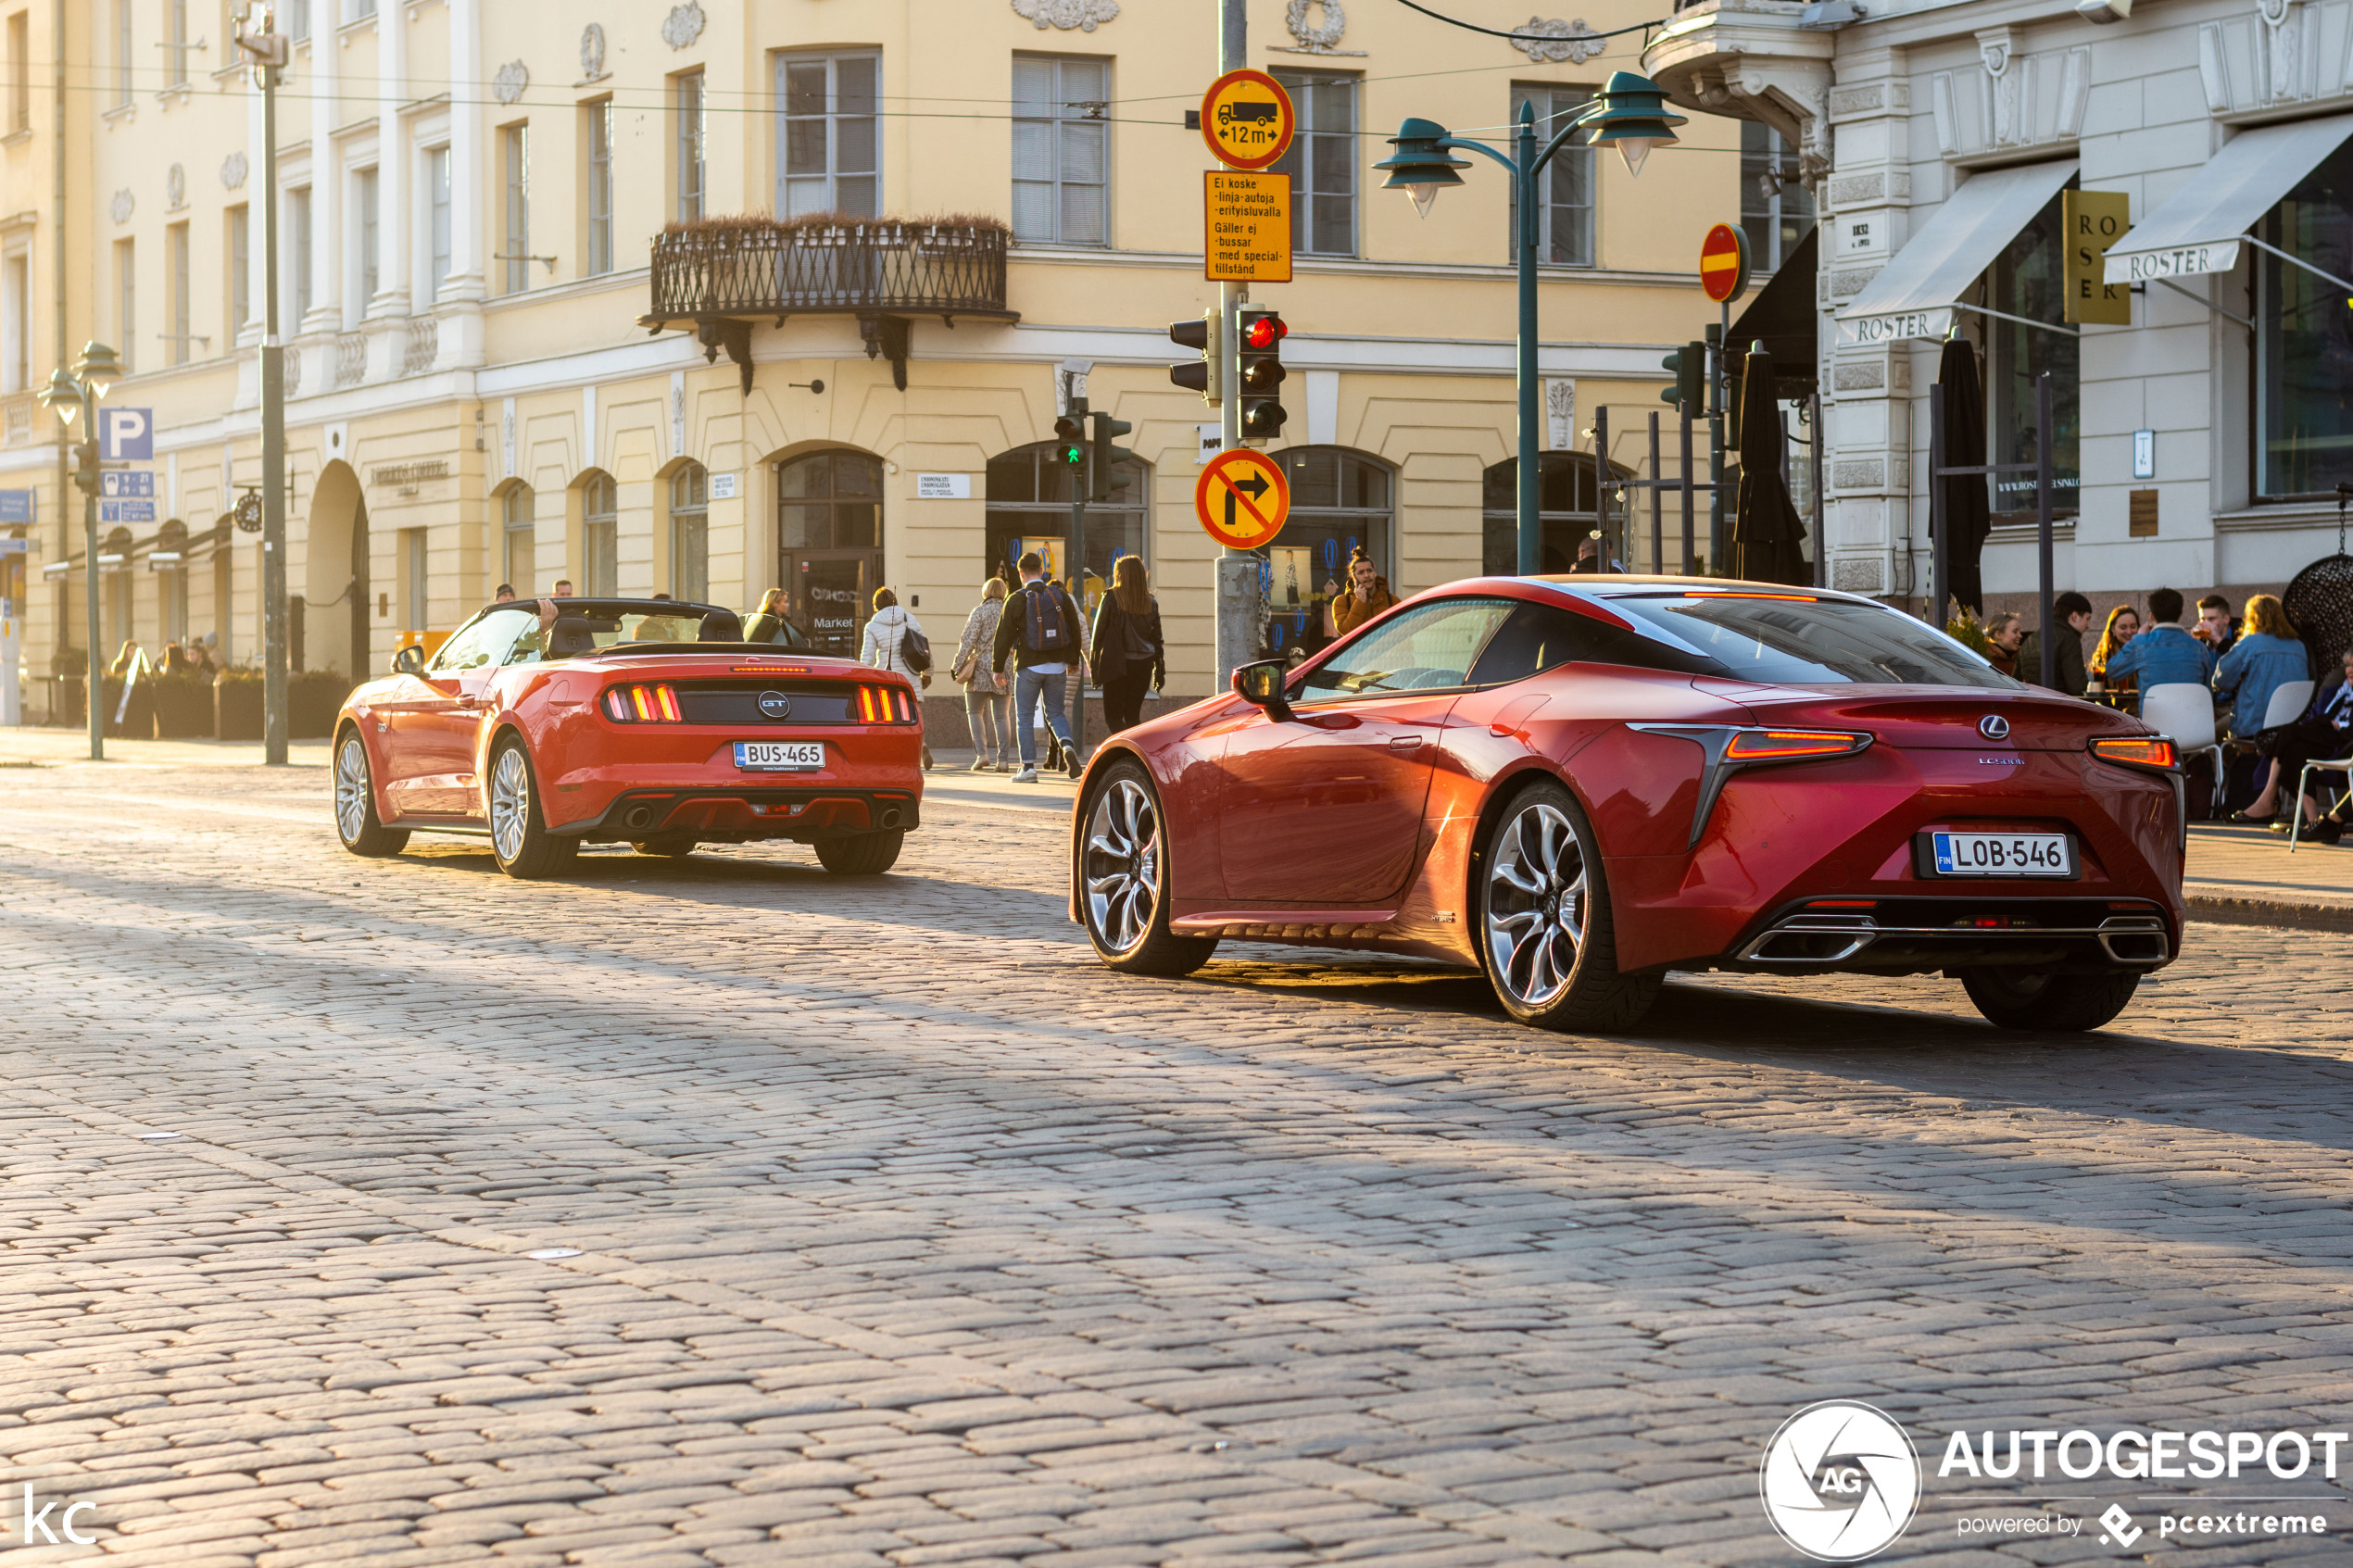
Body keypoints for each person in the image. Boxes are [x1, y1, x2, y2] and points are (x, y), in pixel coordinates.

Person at [2235, 645, 2353, 834]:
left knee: (2289, 733)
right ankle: (2313, 822)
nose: (2350, 670)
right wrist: (2323, 722)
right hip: (2319, 737)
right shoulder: (2334, 691)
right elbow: (2315, 716)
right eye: (2348, 666)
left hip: (2342, 743)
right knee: (2295, 749)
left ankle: (2268, 797)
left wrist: (2340, 726)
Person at [991, 550, 1085, 783]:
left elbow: (1002, 636)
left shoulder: (1016, 599)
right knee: (1055, 713)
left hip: (1029, 668)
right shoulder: (1060, 595)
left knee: (1024, 716)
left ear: (1021, 573)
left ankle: (1028, 768)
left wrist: (997, 668)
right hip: (1057, 667)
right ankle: (1066, 746)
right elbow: (1074, 628)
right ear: (1042, 571)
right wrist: (1073, 661)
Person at [2214, 593, 2310, 741]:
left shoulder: (2250, 644)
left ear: (2252, 619)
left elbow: (2221, 681)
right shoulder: (2299, 646)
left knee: (2216, 735)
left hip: (2254, 727)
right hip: (2291, 725)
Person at [860, 586, 933, 770]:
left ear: (876, 605)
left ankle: (894, 755)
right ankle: (921, 745)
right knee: (914, 716)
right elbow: (924, 648)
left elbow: (867, 658)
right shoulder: (909, 619)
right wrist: (928, 673)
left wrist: (861, 678)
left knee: (890, 719)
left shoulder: (872, 626)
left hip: (886, 678)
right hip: (910, 676)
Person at [1089, 556, 1165, 735]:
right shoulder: (1151, 602)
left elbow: (1097, 635)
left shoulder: (1111, 598)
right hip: (1143, 665)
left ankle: (1133, 753)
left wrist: (1095, 669)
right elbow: (1158, 640)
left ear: (1120, 575)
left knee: (1113, 718)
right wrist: (1159, 670)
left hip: (1117, 664)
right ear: (1141, 575)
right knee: (1132, 716)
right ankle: (1137, 751)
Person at [2100, 587, 2212, 695]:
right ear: (2179, 616)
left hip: (2152, 714)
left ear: (2152, 616)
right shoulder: (2200, 648)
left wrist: (2138, 638)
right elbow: (2207, 691)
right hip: (2192, 713)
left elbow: (2112, 671)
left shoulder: (2140, 643)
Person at [952, 579, 1013, 771]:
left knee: (974, 712)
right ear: (1004, 592)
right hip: (1004, 664)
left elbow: (968, 641)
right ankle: (1002, 760)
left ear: (985, 592)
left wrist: (957, 665)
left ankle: (982, 755)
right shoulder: (1009, 610)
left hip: (980, 666)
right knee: (1002, 716)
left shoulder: (979, 611)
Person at [2017, 591, 2093, 697]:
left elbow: (2016, 681)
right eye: (2087, 618)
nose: (2088, 625)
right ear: (2075, 616)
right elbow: (2077, 686)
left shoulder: (2030, 639)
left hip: (2033, 705)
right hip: (2061, 706)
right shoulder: (2069, 639)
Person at [1326, 547, 1398, 639]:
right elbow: (1346, 631)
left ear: (1375, 573)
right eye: (1361, 572)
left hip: (1385, 652)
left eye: (1369, 570)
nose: (1366, 575)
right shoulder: (1342, 601)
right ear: (1353, 577)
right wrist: (1359, 602)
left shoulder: (1392, 600)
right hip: (1359, 652)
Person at [2087, 604, 2141, 702]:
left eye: (2133, 626)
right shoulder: (2103, 656)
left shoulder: (2144, 652)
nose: (2129, 632)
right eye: (2123, 627)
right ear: (2113, 629)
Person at [2196, 594, 2237, 659]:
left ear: (2226, 619)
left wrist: (2217, 639)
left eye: (2211, 619)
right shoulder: (2200, 643)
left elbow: (2240, 661)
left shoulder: (2242, 637)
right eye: (2203, 619)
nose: (2206, 623)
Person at [1982, 613, 2023, 677]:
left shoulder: (2022, 657)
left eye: (2019, 632)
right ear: (1998, 634)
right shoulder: (1987, 662)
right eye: (2015, 632)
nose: (2020, 636)